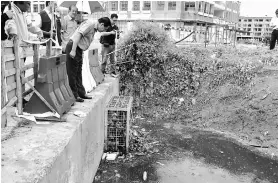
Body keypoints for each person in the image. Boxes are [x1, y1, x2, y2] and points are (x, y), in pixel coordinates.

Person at [66, 17, 114, 102]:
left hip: (79, 49)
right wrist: (73, 50)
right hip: (74, 47)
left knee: (78, 72)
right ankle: (75, 95)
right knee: (72, 72)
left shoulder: (94, 28)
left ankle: (81, 93)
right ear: (101, 24)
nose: (103, 31)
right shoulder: (90, 24)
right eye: (104, 28)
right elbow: (78, 35)